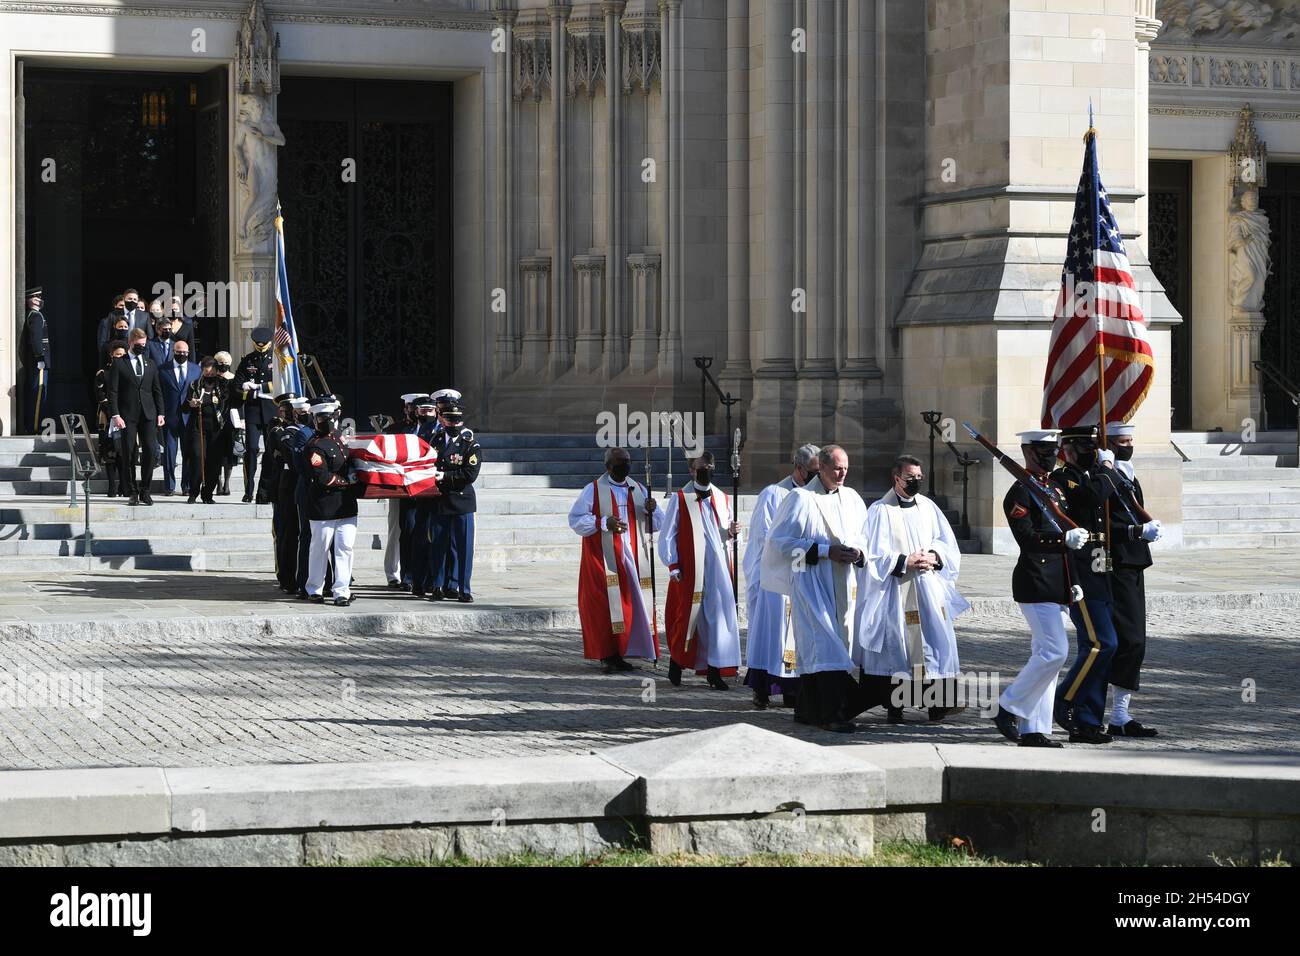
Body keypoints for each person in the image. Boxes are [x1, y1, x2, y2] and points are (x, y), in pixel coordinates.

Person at [761, 444, 870, 731]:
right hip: (812, 585)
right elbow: (780, 542)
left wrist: (858, 552)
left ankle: (807, 710)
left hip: (845, 584)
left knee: (827, 648)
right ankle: (833, 715)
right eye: (836, 467)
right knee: (824, 647)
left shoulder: (853, 498)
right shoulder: (800, 499)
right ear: (820, 467)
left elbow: (863, 535)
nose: (842, 472)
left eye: (845, 467)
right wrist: (824, 551)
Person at [855, 454, 970, 723]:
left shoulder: (928, 507)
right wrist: (903, 561)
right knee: (900, 648)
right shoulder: (880, 511)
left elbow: (945, 541)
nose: (916, 482)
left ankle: (937, 704)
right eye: (910, 478)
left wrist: (934, 556)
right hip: (896, 589)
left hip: (927, 588)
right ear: (897, 478)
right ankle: (894, 705)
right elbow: (871, 554)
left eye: (919, 477)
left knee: (934, 643)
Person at [991, 429, 1086, 748]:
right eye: (1043, 450)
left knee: (1045, 655)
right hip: (1035, 581)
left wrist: (1074, 582)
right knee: (1054, 651)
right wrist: (1062, 539)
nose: (1050, 455)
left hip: (1058, 583)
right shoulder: (1019, 493)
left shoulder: (1053, 488)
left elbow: (1066, 545)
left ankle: (1035, 729)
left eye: (1053, 450)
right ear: (1028, 452)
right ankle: (1007, 706)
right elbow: (1028, 539)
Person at [1051, 425, 1122, 745]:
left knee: (1103, 649)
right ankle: (1065, 698)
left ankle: (1088, 721)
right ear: (1067, 449)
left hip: (1100, 568)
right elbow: (1091, 496)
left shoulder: (1092, 475)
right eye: (1083, 447)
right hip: (1079, 572)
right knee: (1100, 644)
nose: (1090, 452)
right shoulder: (1062, 478)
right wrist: (1108, 469)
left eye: (1092, 446)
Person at [569, 447, 663, 673]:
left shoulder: (638, 488)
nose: (626, 466)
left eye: (628, 461)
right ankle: (608, 654)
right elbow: (576, 520)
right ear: (609, 466)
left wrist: (653, 510)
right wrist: (603, 523)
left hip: (634, 556)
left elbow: (658, 524)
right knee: (606, 606)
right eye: (621, 462)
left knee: (633, 604)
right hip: (605, 558)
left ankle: (627, 649)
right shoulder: (592, 490)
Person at [743, 443, 820, 710]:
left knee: (799, 633)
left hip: (805, 573)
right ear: (798, 468)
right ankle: (762, 688)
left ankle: (793, 689)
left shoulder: (817, 496)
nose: (817, 476)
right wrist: (799, 547)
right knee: (772, 632)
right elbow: (766, 536)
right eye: (812, 471)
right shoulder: (773, 494)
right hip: (775, 576)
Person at [659, 450, 742, 690]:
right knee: (687, 617)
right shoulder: (681, 498)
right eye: (701, 468)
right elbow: (667, 535)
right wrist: (673, 565)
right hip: (690, 568)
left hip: (717, 570)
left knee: (717, 619)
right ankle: (677, 662)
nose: (706, 471)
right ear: (691, 471)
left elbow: (726, 536)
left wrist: (733, 533)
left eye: (710, 467)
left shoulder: (722, 498)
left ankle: (714, 671)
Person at [1105, 422, 1162, 738]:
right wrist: (1134, 532)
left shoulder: (1128, 474)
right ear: (1109, 444)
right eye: (1123, 441)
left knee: (1133, 641)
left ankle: (1120, 715)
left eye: (1131, 440)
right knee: (1121, 641)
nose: (1129, 445)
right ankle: (1087, 708)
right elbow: (1100, 526)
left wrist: (1145, 529)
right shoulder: (1106, 478)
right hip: (1114, 565)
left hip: (1133, 563)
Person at [304, 397, 358, 607]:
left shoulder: (341, 438)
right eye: (321, 418)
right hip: (323, 505)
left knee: (345, 548)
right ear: (315, 419)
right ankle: (315, 588)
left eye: (329, 417)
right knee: (320, 547)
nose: (326, 421)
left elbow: (353, 458)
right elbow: (321, 476)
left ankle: (341, 590)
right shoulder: (315, 446)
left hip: (346, 505)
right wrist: (347, 481)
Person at [105, 328, 164, 506]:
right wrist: (115, 414)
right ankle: (131, 491)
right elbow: (113, 391)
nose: (142, 348)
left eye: (144, 345)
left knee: (150, 451)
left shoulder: (150, 364)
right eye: (139, 345)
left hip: (148, 414)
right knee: (128, 452)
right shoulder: (119, 363)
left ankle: (145, 490)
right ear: (130, 343)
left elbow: (157, 390)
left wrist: (161, 413)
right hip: (126, 415)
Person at [428, 403, 480, 603]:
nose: (454, 424)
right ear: (443, 420)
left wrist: (445, 476)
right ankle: (438, 585)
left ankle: (463, 589)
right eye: (450, 420)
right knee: (438, 546)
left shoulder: (470, 444)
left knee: (463, 548)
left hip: (461, 502)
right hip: (440, 500)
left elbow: (470, 474)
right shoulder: (437, 440)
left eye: (457, 420)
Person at [232, 327, 277, 503]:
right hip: (252, 411)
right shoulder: (247, 360)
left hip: (271, 411)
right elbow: (237, 386)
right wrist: (251, 393)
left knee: (271, 452)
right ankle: (248, 490)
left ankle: (266, 490)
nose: (260, 347)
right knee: (251, 449)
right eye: (257, 345)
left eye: (263, 344)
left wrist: (259, 387)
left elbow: (281, 382)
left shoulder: (276, 359)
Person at [264, 393, 303, 593]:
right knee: (283, 533)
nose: (286, 412)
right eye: (284, 409)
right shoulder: (277, 429)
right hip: (283, 487)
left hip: (297, 486)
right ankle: (285, 575)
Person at [385, 393, 423, 589]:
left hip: (423, 487)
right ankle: (394, 572)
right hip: (400, 486)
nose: (412, 411)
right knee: (396, 529)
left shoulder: (430, 429)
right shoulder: (395, 429)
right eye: (409, 407)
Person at [184, 357, 234, 504]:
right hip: (198, 428)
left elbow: (227, 402)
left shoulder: (223, 384)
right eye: (207, 374)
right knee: (198, 460)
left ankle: (208, 494)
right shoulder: (194, 385)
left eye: (213, 374)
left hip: (217, 429)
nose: (210, 376)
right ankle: (193, 491)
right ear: (202, 371)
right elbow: (184, 407)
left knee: (214, 463)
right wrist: (191, 404)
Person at [158, 339, 200, 496]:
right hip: (170, 418)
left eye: (184, 352)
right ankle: (169, 486)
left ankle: (187, 486)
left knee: (188, 453)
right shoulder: (163, 370)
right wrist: (160, 413)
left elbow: (199, 391)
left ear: (188, 353)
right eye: (178, 352)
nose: (182, 354)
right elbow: (159, 394)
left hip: (189, 418)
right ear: (173, 352)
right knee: (169, 452)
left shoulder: (196, 370)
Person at [408, 396, 441, 595]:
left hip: (432, 489)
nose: (425, 414)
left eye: (429, 411)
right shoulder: (411, 430)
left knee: (432, 537)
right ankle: (417, 581)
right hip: (416, 490)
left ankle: (431, 580)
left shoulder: (437, 433)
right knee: (418, 537)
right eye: (421, 411)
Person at [95, 340, 130, 497]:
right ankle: (111, 486)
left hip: (126, 417)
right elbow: (100, 395)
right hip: (107, 417)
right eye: (117, 355)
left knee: (124, 453)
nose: (120, 357)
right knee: (109, 453)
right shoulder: (103, 373)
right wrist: (113, 412)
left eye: (123, 355)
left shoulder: (128, 371)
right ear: (111, 355)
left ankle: (124, 486)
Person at [20, 287, 49, 434]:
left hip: (38, 362)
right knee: (38, 396)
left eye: (39, 296)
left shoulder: (35, 315)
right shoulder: (36, 316)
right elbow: (36, 340)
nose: (38, 299)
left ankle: (34, 426)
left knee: (37, 395)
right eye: (34, 297)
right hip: (39, 363)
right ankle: (35, 428)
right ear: (28, 300)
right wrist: (40, 358)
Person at [213, 352, 239, 496]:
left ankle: (227, 483)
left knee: (228, 453)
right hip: (215, 420)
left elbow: (239, 401)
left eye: (225, 363)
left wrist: (241, 420)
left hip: (230, 419)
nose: (223, 365)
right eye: (220, 363)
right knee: (216, 452)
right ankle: (218, 482)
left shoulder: (234, 379)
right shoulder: (211, 379)